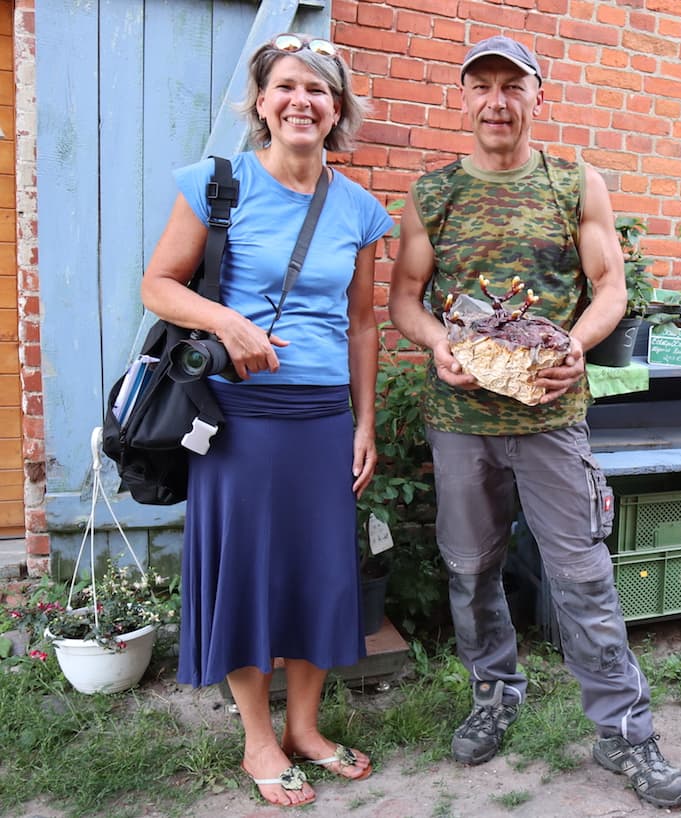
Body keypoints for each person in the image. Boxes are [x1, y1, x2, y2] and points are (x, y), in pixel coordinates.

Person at [388, 35, 681, 809]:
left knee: (583, 576)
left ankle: (626, 732)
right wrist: (439, 346)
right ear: (464, 98)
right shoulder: (433, 194)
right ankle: (495, 693)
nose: (497, 102)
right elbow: (404, 301)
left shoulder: (573, 183)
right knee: (470, 568)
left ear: (536, 97)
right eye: (482, 86)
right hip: (461, 418)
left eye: (512, 86)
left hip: (551, 417)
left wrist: (576, 347)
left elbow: (609, 288)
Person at [140, 33, 393, 808]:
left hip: (321, 418)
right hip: (237, 418)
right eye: (287, 86)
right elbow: (157, 284)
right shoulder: (218, 187)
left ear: (337, 108)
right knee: (245, 577)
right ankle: (258, 739)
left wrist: (364, 423)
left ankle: (307, 729)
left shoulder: (358, 208)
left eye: (319, 90)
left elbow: (361, 326)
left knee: (320, 574)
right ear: (262, 101)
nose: (301, 101)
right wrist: (230, 324)